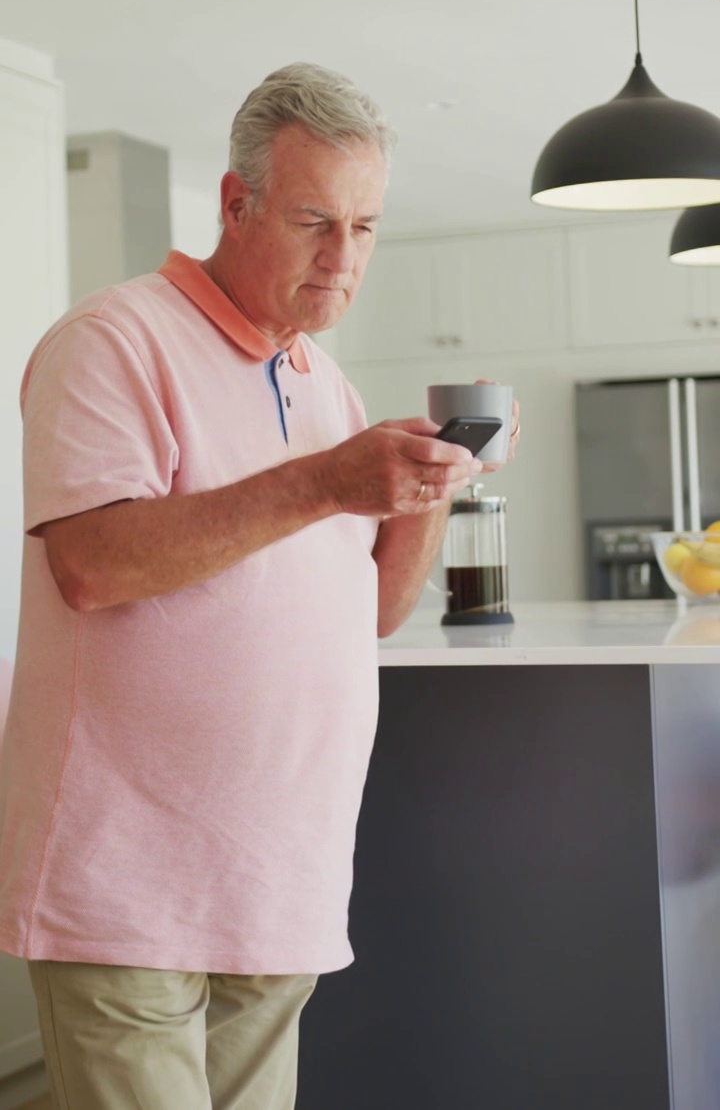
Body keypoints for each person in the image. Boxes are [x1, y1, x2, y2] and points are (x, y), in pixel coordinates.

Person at [0, 62, 519, 1110]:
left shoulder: (328, 385)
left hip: (280, 877)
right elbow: (92, 562)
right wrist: (328, 480)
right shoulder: (113, 342)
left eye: (366, 227)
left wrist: (426, 489)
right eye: (315, 220)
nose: (344, 258)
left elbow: (366, 612)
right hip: (128, 883)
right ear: (237, 205)